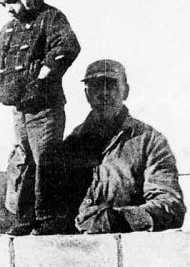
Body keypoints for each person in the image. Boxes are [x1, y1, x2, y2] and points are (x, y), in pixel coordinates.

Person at [0, 0, 80, 235]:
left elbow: (67, 46)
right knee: (23, 158)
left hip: (45, 106)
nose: (9, 9)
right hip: (19, 108)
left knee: (47, 157)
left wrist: (44, 73)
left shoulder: (51, 18)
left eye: (12, 1)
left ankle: (50, 217)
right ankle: (25, 216)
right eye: (3, 4)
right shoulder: (8, 30)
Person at [63, 59, 186, 234]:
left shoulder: (150, 141)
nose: (104, 93)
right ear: (87, 95)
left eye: (111, 85)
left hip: (130, 251)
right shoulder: (71, 145)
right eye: (97, 86)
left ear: (125, 91)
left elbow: (170, 206)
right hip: (78, 252)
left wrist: (118, 219)